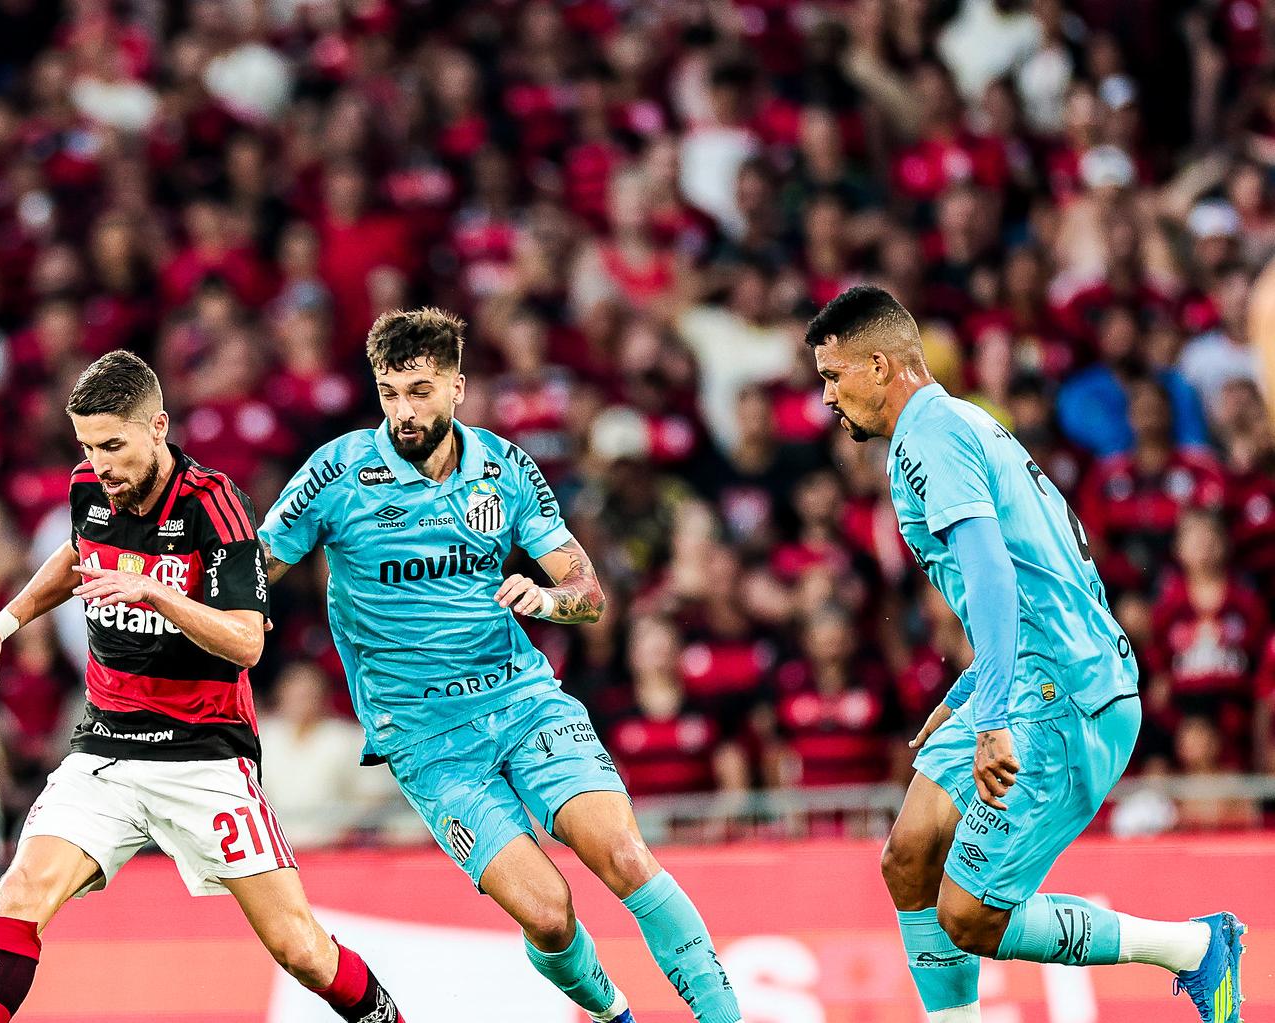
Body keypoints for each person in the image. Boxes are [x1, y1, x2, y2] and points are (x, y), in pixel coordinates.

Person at [260, 308, 741, 1023]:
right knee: (548, 916)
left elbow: (588, 595)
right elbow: (253, 567)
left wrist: (544, 600)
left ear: (457, 385)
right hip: (427, 742)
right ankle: (614, 1015)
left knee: (625, 856)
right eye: (389, 392)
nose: (403, 410)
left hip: (524, 703)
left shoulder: (506, 468)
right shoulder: (337, 472)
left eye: (420, 389)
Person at [806, 284, 1247, 1023]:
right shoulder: (962, 424)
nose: (825, 396)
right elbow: (1049, 577)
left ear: (878, 365)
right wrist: (975, 686)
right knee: (908, 854)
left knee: (969, 916)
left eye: (831, 375)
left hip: (1061, 694)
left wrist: (988, 715)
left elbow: (991, 572)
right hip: (1032, 674)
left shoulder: (929, 435)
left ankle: (1191, 946)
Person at [0, 351, 405, 1023]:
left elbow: (246, 640)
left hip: (204, 757)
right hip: (105, 747)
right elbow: (78, 552)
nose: (99, 463)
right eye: (87, 446)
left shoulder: (214, 506)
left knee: (301, 949)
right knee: (19, 893)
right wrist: (3, 621)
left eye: (112, 444)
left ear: (157, 426)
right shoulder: (88, 489)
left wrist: (157, 594)